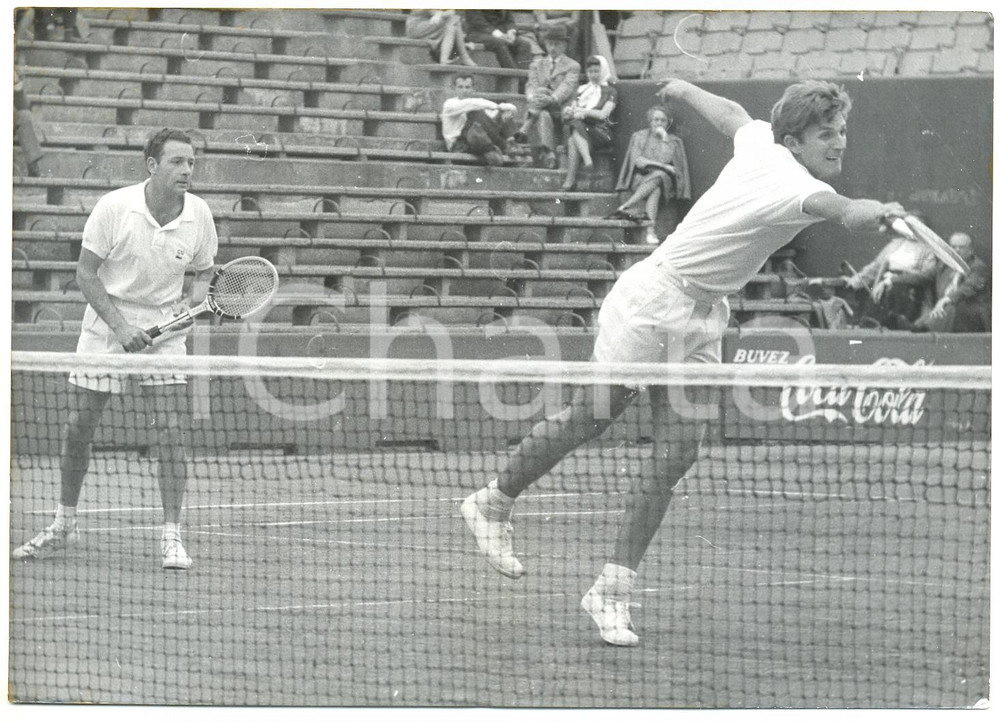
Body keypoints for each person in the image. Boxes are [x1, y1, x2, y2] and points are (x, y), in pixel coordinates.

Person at [461, 79, 909, 646]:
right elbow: (843, 210)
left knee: (677, 453)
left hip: (703, 313)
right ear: (793, 140)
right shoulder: (789, 180)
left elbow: (732, 114)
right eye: (827, 133)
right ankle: (492, 502)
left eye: (842, 130)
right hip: (654, 300)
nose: (839, 142)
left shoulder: (761, 143)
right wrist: (878, 212)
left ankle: (611, 591)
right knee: (591, 418)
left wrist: (681, 88)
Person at [12, 129, 219, 570]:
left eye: (191, 163)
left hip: (164, 330)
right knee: (79, 426)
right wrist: (121, 327)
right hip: (108, 325)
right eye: (177, 162)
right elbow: (86, 275)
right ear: (152, 165)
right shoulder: (114, 207)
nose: (187, 170)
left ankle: (171, 535)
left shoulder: (199, 214)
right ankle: (64, 521)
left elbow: (204, 273)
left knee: (171, 430)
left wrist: (192, 299)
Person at [610, 105, 691, 244]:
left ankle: (626, 206)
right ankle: (650, 232)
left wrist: (665, 139)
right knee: (656, 188)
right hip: (640, 179)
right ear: (650, 121)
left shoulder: (674, 141)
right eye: (656, 120)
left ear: (668, 123)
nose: (659, 123)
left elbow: (666, 158)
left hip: (665, 182)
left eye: (663, 121)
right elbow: (639, 162)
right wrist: (663, 166)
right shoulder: (639, 136)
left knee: (660, 176)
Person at [842, 213, 937, 329]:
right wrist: (855, 281)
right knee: (872, 303)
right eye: (908, 226)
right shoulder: (895, 244)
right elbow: (876, 266)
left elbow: (926, 275)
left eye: (914, 227)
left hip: (909, 289)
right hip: (883, 284)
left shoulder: (928, 250)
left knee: (896, 295)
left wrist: (893, 280)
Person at [514, 25, 581, 170]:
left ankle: (525, 128)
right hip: (541, 107)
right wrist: (532, 97)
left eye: (557, 44)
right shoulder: (536, 65)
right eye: (550, 43)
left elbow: (567, 88)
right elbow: (530, 86)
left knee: (543, 91)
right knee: (543, 113)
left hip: (561, 108)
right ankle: (548, 152)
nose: (553, 48)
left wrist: (552, 98)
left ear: (564, 45)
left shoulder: (573, 66)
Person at [912, 232, 990, 332]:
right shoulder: (944, 265)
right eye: (953, 246)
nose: (957, 250)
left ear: (971, 250)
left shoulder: (978, 266)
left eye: (961, 247)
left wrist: (947, 299)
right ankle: (918, 327)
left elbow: (969, 287)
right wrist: (893, 279)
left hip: (970, 311)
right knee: (941, 309)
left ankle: (923, 329)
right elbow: (923, 277)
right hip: (948, 309)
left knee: (950, 306)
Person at [560, 55, 617, 191]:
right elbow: (573, 110)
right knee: (574, 131)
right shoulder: (581, 90)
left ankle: (571, 178)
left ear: (603, 71)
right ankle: (584, 165)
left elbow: (603, 114)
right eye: (590, 71)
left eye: (597, 71)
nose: (593, 75)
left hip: (601, 131)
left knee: (575, 129)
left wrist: (584, 112)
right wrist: (568, 112)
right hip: (581, 129)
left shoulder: (610, 91)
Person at [441, 74, 518, 166]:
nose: (464, 90)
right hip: (459, 145)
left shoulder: (479, 104)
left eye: (467, 87)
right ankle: (493, 149)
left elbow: (508, 112)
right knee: (475, 113)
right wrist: (498, 106)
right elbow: (472, 103)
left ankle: (511, 143)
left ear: (473, 89)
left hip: (477, 138)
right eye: (460, 87)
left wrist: (502, 110)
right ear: (454, 88)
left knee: (503, 114)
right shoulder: (450, 104)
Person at [462, 10, 531, 70]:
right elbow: (477, 21)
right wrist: (500, 35)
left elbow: (509, 19)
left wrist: (511, 32)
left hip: (502, 33)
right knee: (500, 43)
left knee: (524, 44)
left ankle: (524, 81)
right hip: (478, 32)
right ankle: (514, 77)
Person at [405, 9, 476, 66]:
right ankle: (464, 57)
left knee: (453, 25)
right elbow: (434, 13)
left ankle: (444, 61)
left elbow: (450, 12)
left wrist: (441, 13)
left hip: (429, 23)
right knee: (453, 20)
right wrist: (442, 13)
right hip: (416, 27)